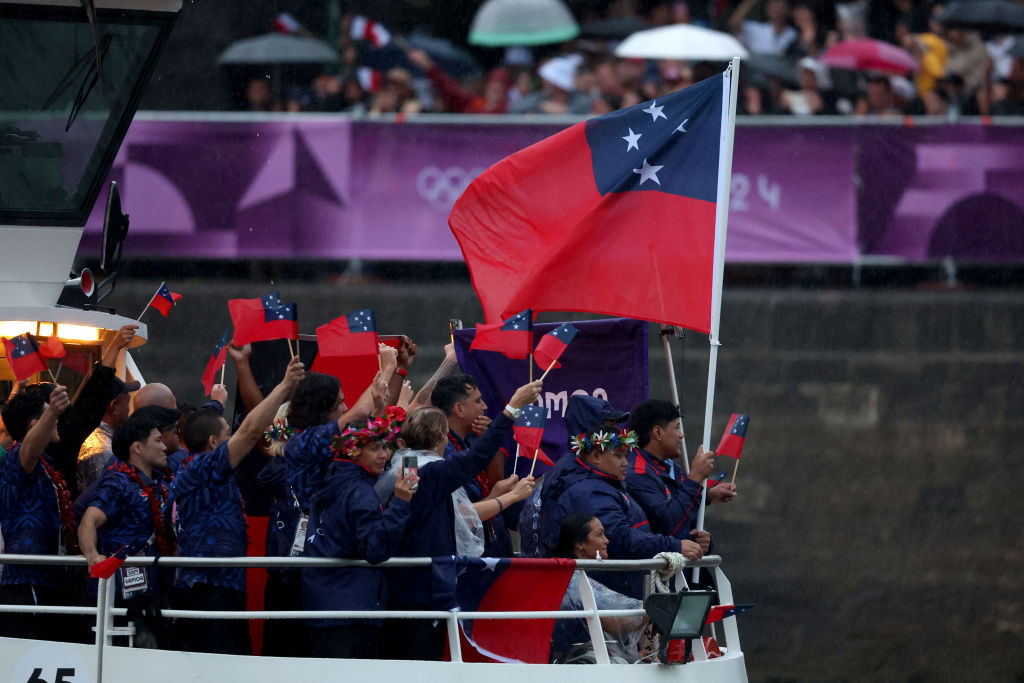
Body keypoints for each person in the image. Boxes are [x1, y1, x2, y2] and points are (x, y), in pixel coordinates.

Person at [377, 379, 542, 661]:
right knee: (419, 666)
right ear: (441, 439)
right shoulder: (430, 472)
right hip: (421, 590)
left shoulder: (406, 465)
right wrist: (512, 407)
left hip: (402, 585)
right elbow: (476, 457)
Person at [171, 356, 305, 655]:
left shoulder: (195, 464)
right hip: (208, 589)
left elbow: (213, 429)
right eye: (226, 436)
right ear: (213, 444)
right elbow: (252, 433)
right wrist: (284, 386)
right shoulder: (204, 468)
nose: (234, 440)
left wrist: (217, 402)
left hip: (223, 587)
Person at [540, 426, 708, 598]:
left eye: (626, 456)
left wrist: (686, 538)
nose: (625, 463)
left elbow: (641, 528)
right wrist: (674, 546)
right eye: (619, 456)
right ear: (596, 456)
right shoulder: (589, 492)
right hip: (604, 594)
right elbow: (620, 537)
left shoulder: (606, 485)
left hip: (617, 590)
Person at [303, 407, 417, 658]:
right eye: (375, 448)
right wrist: (399, 501)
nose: (384, 455)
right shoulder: (360, 491)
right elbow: (375, 549)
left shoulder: (329, 479)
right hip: (351, 612)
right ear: (354, 451)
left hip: (320, 604)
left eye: (385, 447)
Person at [78, 404, 181, 648]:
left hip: (155, 593)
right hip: (121, 599)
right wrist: (93, 555)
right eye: (158, 440)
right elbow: (89, 520)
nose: (165, 446)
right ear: (137, 447)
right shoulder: (118, 482)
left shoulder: (161, 484)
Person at [0, 383, 73, 640]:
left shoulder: (45, 466)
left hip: (49, 580)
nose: (57, 421)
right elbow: (30, 449)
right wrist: (52, 409)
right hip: (24, 582)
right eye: (49, 417)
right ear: (35, 425)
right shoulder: (17, 458)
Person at [432, 373, 519, 557]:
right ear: (459, 409)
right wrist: (501, 497)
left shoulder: (472, 441)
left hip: (494, 546)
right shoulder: (441, 452)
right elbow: (460, 517)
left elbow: (496, 480)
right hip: (468, 559)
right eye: (478, 401)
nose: (485, 407)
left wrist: (490, 443)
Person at [626, 400, 735, 541]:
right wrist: (696, 477)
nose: (681, 435)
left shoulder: (671, 467)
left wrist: (707, 495)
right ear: (658, 432)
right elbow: (669, 525)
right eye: (676, 427)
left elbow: (683, 516)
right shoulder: (637, 473)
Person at [550, 513, 651, 664]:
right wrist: (655, 609)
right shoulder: (574, 581)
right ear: (580, 544)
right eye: (600, 535)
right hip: (571, 663)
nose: (606, 540)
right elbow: (618, 624)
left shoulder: (567, 575)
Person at [77, 376, 141, 491]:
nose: (129, 410)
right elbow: (104, 497)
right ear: (114, 406)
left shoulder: (105, 440)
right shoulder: (102, 451)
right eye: (127, 403)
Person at [729, 0, 798, 56]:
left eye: (782, 5)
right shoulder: (755, 28)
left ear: (788, 10)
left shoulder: (793, 34)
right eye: (774, 5)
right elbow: (734, 23)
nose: (778, 9)